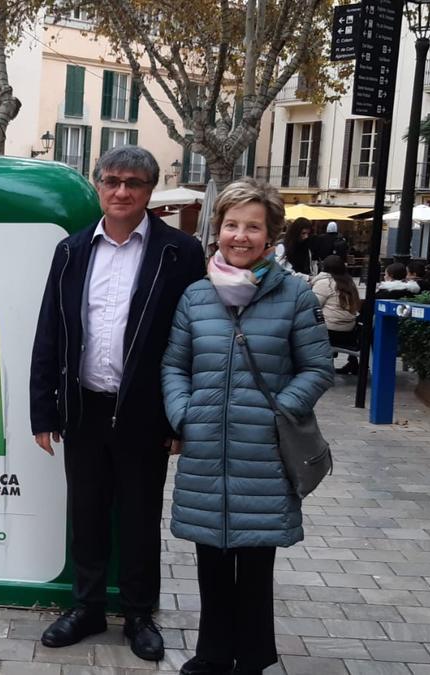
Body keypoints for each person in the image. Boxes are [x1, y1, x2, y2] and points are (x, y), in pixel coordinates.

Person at [30, 145, 205, 661]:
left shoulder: (180, 252)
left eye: (133, 183)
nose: (121, 192)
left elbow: (192, 337)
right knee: (85, 511)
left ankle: (137, 613)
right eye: (112, 181)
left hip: (145, 413)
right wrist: (43, 410)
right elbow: (50, 331)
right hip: (83, 407)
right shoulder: (73, 249)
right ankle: (85, 607)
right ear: (98, 186)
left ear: (149, 192)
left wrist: (181, 417)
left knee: (138, 514)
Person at [162, 178, 334, 674]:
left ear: (271, 235)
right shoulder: (196, 297)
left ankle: (254, 655)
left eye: (253, 227)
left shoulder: (296, 297)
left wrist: (281, 409)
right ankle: (213, 653)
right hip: (206, 449)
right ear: (218, 230)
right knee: (210, 559)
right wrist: (184, 412)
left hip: (264, 453)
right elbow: (175, 364)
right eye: (232, 225)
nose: (241, 236)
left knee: (256, 564)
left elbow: (317, 369)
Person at [311, 255, 361, 375]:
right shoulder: (349, 283)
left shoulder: (325, 283)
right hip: (350, 331)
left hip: (330, 332)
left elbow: (313, 306)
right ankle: (352, 363)